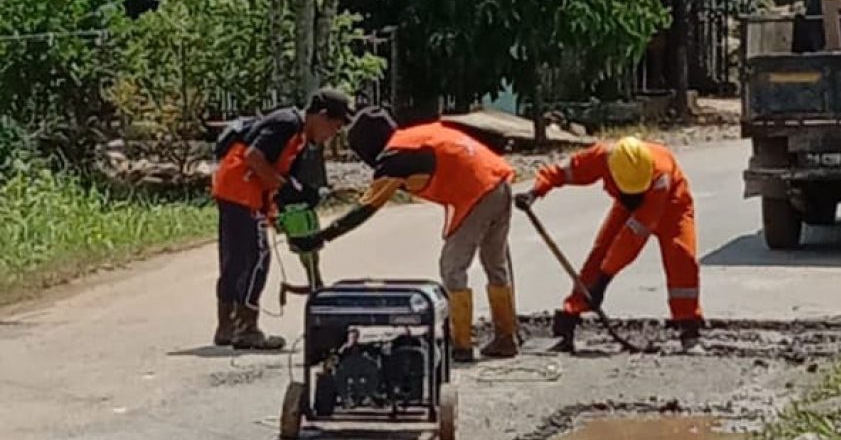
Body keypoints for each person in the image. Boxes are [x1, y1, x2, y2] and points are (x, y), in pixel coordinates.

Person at [292, 106, 518, 362]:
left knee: (453, 268)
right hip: (499, 181)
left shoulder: (396, 157)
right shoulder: (415, 136)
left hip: (476, 194)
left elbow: (366, 208)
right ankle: (506, 338)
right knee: (495, 265)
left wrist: (322, 236)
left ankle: (461, 344)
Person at [517, 136, 703, 352]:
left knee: (681, 257)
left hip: (673, 206)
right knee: (600, 253)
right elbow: (563, 170)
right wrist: (535, 192)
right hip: (628, 206)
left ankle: (689, 329)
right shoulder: (603, 157)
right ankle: (569, 318)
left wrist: (604, 281)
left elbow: (633, 238)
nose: (633, 198)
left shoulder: (660, 175)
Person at [212, 89, 351, 350]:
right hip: (240, 190)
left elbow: (278, 175)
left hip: (239, 191)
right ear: (320, 116)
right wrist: (284, 187)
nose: (333, 134)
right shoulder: (287, 123)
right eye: (334, 126)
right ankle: (246, 328)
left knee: (237, 260)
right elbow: (254, 157)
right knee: (256, 259)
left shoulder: (299, 138)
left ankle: (227, 326)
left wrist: (289, 199)